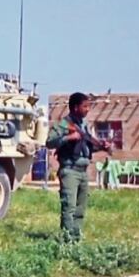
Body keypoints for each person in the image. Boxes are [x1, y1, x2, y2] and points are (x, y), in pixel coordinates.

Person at [46, 92, 112, 242]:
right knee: (69, 207)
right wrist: (69, 137)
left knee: (80, 209)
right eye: (85, 106)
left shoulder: (84, 126)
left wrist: (102, 147)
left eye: (88, 106)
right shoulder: (64, 125)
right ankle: (67, 240)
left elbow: (87, 148)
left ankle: (76, 238)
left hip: (83, 171)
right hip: (70, 171)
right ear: (75, 107)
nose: (88, 109)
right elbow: (49, 142)